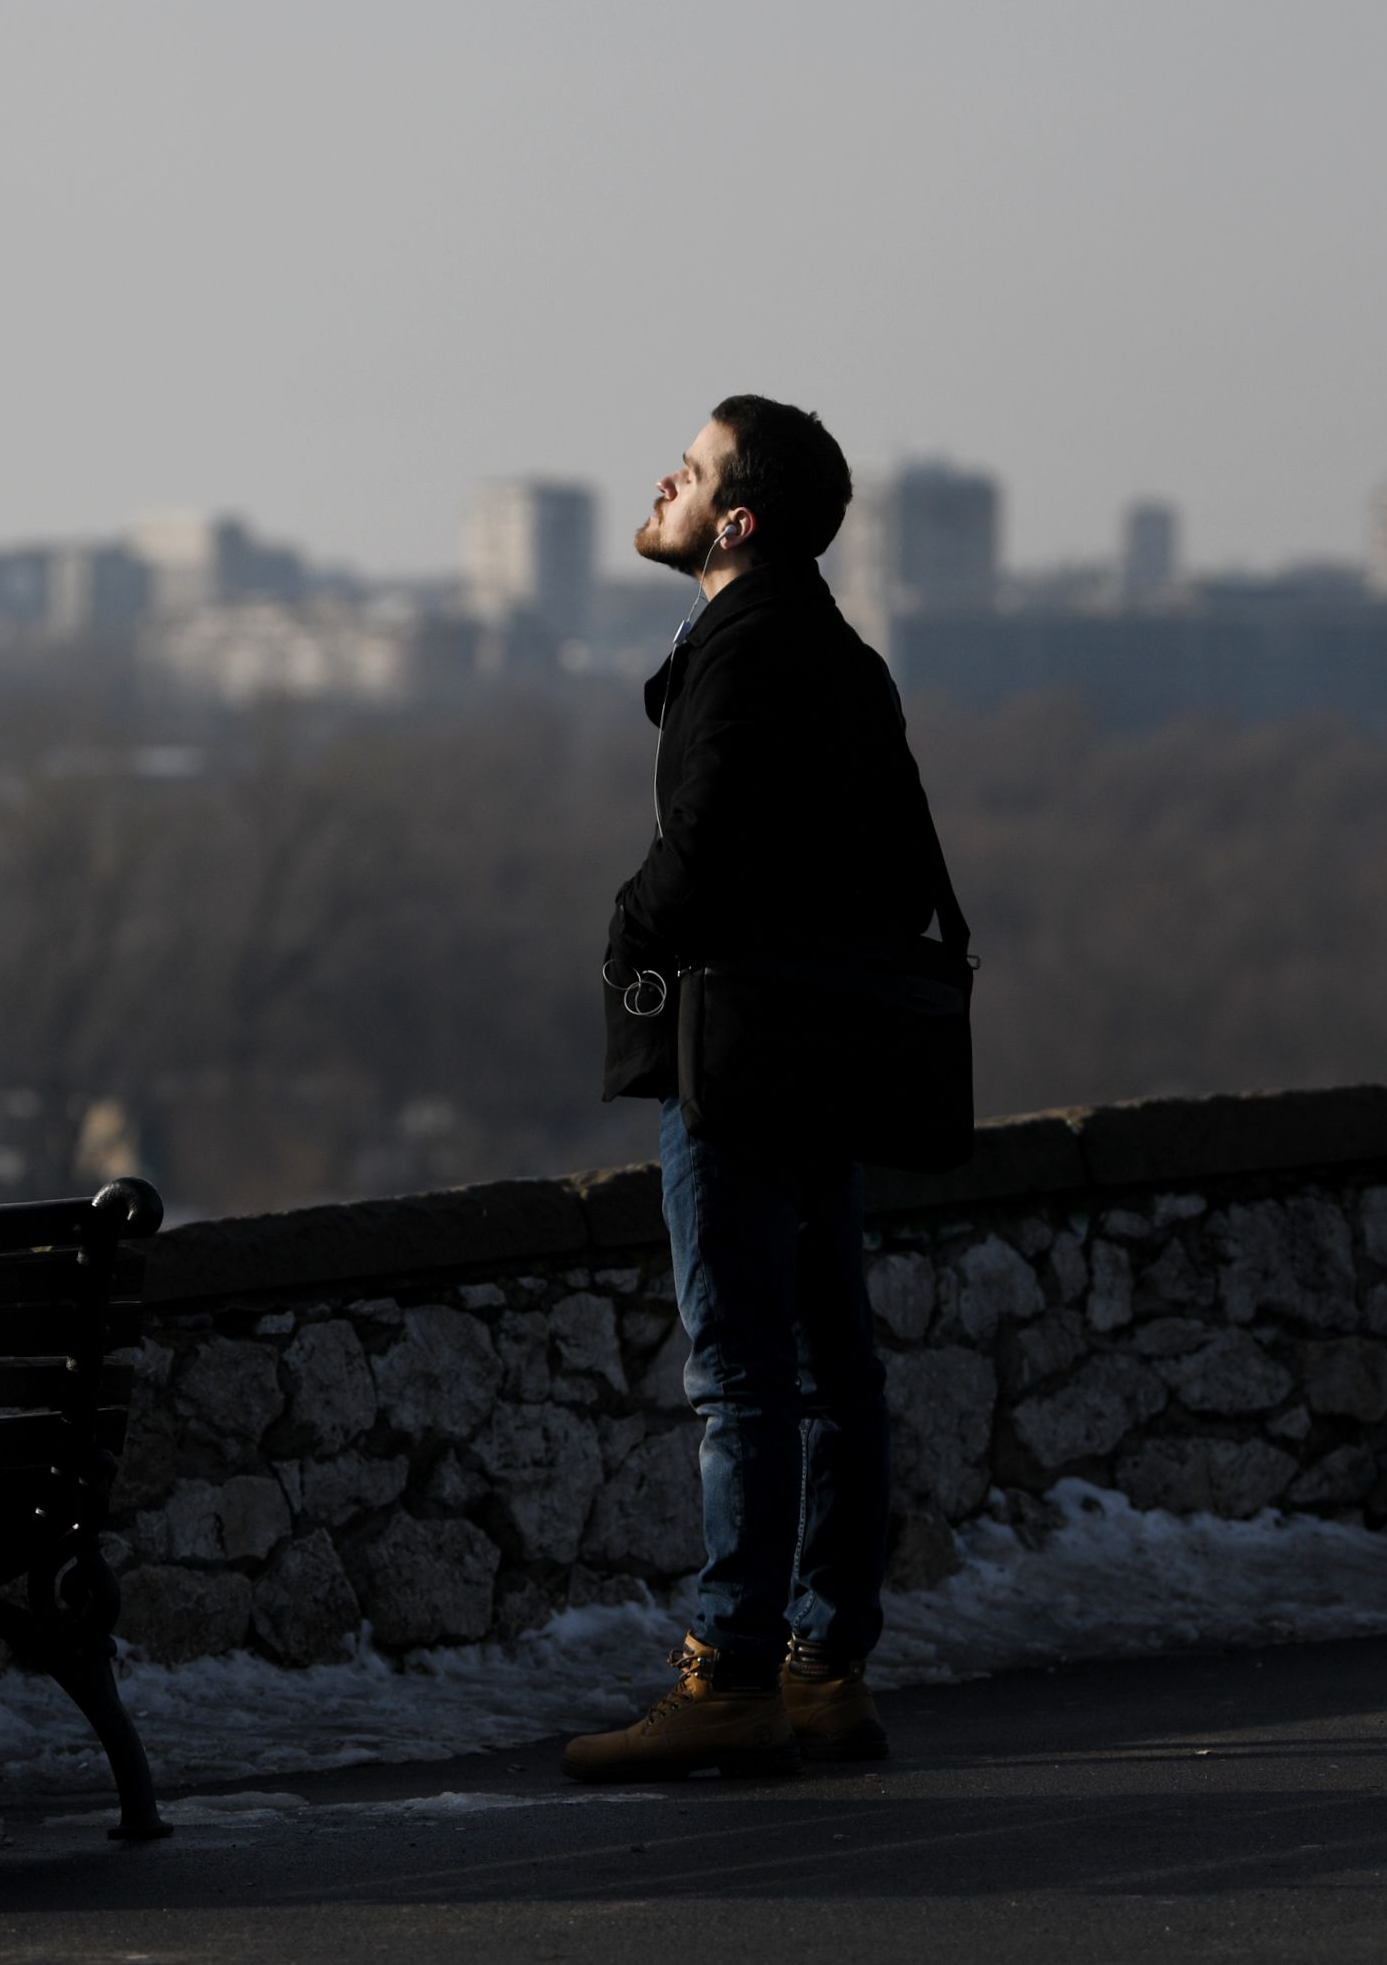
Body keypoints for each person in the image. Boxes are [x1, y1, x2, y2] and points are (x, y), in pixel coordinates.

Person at [565, 394, 970, 1784]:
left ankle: (728, 1675)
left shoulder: (739, 653)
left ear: (732, 521)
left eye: (685, 473)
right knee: (831, 1372)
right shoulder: (843, 656)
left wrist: (633, 930)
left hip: (737, 1062)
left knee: (738, 1373)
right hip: (826, 1054)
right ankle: (824, 1672)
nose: (660, 485)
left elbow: (706, 850)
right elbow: (907, 872)